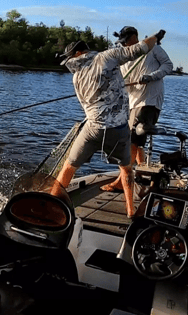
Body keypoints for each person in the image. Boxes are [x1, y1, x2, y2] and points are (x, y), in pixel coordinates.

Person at [53, 30, 166, 219]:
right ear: (84, 51)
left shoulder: (76, 77)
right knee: (126, 168)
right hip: (118, 129)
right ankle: (130, 211)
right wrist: (156, 36)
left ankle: (49, 204)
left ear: (77, 55)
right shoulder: (108, 56)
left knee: (68, 168)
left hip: (92, 129)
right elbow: (141, 48)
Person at [101, 26, 173, 193]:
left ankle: (121, 181)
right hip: (133, 103)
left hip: (149, 101)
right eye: (122, 42)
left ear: (134, 37)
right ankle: (140, 172)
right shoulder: (125, 57)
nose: (124, 44)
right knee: (138, 141)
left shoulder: (153, 47)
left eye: (126, 40)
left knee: (132, 140)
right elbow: (124, 83)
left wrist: (151, 76)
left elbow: (168, 66)